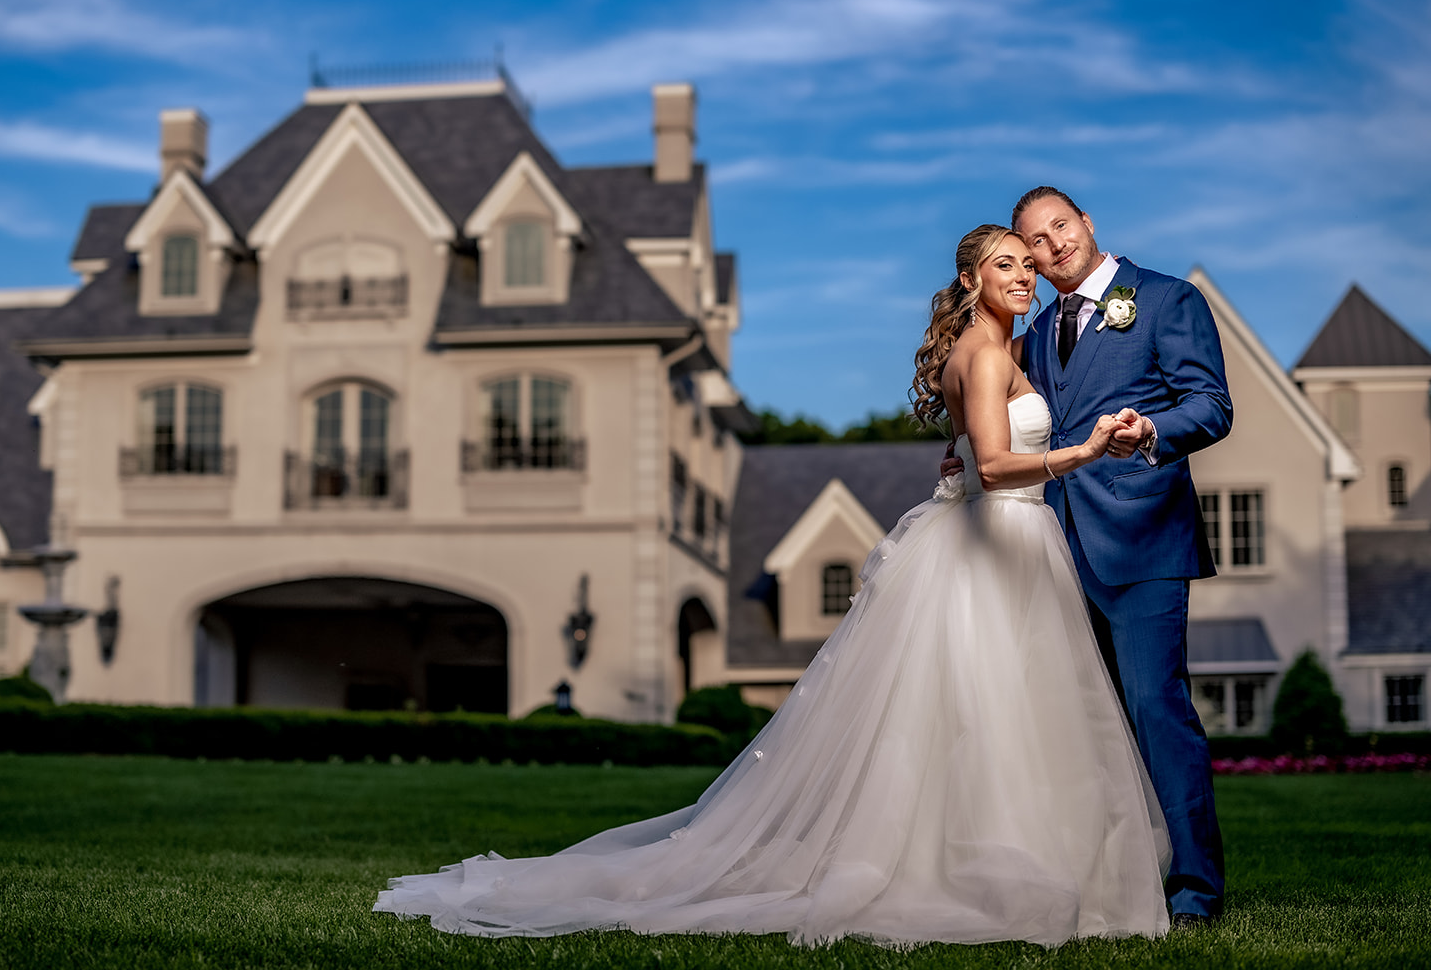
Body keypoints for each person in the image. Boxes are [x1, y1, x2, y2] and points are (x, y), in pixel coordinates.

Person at [374, 225, 1172, 948]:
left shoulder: (993, 350)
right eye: (1007, 266)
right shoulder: (991, 353)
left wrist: (972, 465)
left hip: (1000, 540)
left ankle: (994, 860)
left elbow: (971, 457)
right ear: (971, 280)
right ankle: (995, 871)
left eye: (1030, 267)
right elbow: (998, 467)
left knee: (992, 717)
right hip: (998, 536)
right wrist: (1085, 450)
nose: (1026, 277)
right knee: (995, 711)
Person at [998, 186, 1231, 928]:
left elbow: (1211, 404)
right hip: (1054, 549)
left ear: (1087, 223)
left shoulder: (1165, 300)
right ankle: (1108, 881)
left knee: (1155, 713)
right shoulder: (1031, 337)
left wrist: (1151, 432)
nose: (1053, 244)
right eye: (1035, 239)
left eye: (1060, 226)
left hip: (1142, 541)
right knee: (1082, 724)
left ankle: (1193, 890)